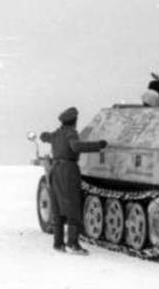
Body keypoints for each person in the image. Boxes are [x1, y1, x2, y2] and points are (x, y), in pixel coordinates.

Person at [40, 107, 108, 255]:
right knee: (73, 207)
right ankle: (73, 244)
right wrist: (98, 145)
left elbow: (45, 137)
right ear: (74, 121)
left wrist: (44, 136)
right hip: (68, 170)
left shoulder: (57, 133)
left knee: (57, 207)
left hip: (55, 170)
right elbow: (75, 146)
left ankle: (58, 243)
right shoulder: (71, 132)